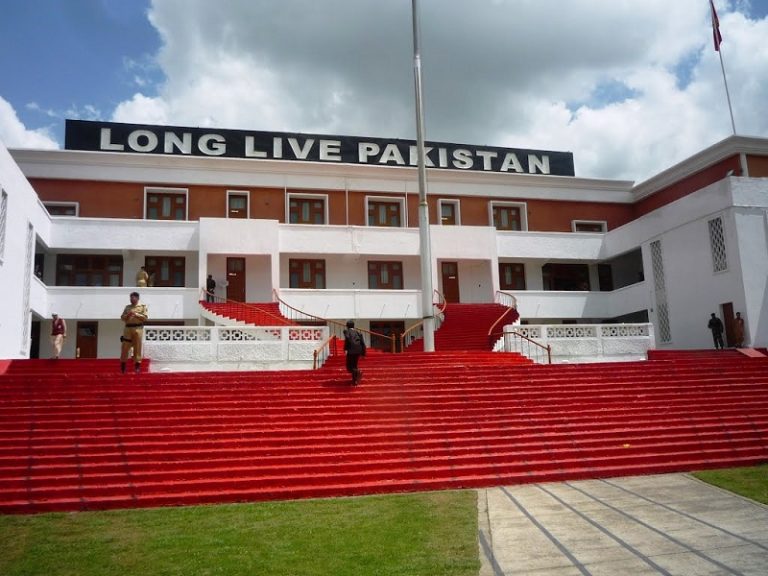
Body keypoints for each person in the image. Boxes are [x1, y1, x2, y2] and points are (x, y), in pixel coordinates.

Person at [120, 291, 149, 374]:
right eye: (130, 297)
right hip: (128, 328)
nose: (131, 299)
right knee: (125, 347)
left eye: (133, 297)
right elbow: (122, 318)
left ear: (137, 298)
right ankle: (123, 367)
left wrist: (136, 314)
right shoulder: (127, 307)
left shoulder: (142, 307)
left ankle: (137, 367)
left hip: (138, 328)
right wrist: (127, 315)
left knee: (137, 347)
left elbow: (145, 318)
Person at [343, 320, 366, 385]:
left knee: (349, 367)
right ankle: (355, 381)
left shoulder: (347, 331)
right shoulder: (358, 333)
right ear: (353, 326)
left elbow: (347, 339)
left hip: (351, 350)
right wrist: (363, 353)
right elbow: (362, 343)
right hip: (358, 350)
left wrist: (345, 349)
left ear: (347, 326)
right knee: (354, 365)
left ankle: (358, 372)